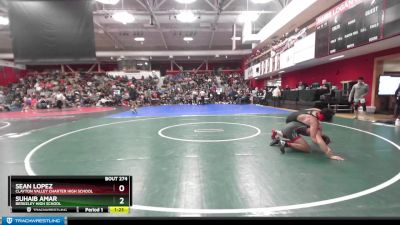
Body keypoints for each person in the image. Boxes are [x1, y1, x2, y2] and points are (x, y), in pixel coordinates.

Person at [270, 108, 344, 161]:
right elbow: (315, 139)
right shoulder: (314, 122)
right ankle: (284, 143)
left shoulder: (317, 110)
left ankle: (277, 132)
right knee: (307, 148)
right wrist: (330, 154)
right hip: (291, 123)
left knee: (315, 129)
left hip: (293, 119)